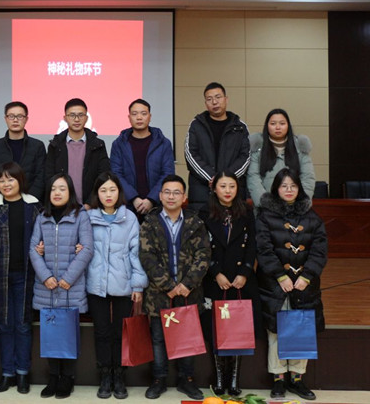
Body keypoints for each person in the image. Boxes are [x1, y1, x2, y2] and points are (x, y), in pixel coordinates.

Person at [256, 168, 327, 401]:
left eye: (293, 186)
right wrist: (280, 276)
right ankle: (278, 379)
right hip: (274, 285)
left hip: (305, 286)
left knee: (301, 329)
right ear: (276, 189)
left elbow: (319, 251)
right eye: (284, 186)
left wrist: (306, 277)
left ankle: (297, 379)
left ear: (299, 189)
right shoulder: (265, 217)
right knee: (276, 331)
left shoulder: (312, 217)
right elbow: (263, 250)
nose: (289, 190)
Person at [139, 174, 210, 401]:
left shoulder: (195, 223)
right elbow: (146, 257)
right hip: (159, 293)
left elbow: (204, 255)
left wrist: (187, 284)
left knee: (188, 337)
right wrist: (168, 285)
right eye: (167, 192)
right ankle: (159, 379)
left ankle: (186, 379)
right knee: (158, 338)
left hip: (189, 292)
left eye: (176, 192)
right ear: (160, 196)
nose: (171, 196)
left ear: (184, 197)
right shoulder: (149, 223)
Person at [29, 173, 94, 399]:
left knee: (67, 334)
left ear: (70, 192)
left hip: (70, 288)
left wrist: (68, 278)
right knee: (50, 334)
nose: (57, 193)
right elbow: (33, 250)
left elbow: (87, 249)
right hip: (46, 287)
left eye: (62, 189)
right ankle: (53, 377)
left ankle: (67, 378)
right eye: (54, 189)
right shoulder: (42, 217)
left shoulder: (80, 216)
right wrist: (46, 276)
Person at [198, 171, 262, 397]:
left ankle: (234, 378)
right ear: (214, 188)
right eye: (223, 186)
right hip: (215, 279)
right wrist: (215, 272)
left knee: (237, 327)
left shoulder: (246, 212)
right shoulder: (204, 213)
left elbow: (252, 244)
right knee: (216, 327)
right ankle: (218, 377)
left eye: (232, 186)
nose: (227, 191)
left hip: (240, 280)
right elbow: (202, 246)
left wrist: (245, 272)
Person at [86, 171, 148, 399]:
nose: (108, 194)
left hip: (123, 283)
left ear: (119, 192)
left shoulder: (129, 217)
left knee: (120, 333)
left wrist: (138, 285)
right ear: (97, 194)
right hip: (96, 284)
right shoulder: (88, 217)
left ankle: (120, 377)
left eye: (112, 189)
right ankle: (105, 376)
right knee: (101, 332)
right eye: (103, 190)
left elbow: (136, 253)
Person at [0, 162, 41, 394]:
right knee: (4, 325)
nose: (6, 184)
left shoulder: (33, 206)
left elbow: (43, 236)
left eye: (11, 179)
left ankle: (23, 373)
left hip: (26, 275)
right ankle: (7, 373)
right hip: (0, 276)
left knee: (23, 325)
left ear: (20, 181)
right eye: (2, 180)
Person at [185, 82, 250, 212]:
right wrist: (212, 178)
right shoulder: (196, 125)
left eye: (218, 97)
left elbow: (245, 157)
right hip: (202, 192)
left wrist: (226, 180)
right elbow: (190, 155)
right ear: (205, 103)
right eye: (209, 99)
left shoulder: (239, 126)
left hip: (232, 192)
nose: (214, 102)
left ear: (226, 99)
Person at [110, 99, 175, 221]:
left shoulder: (163, 143)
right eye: (134, 114)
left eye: (143, 113)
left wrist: (151, 199)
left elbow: (168, 174)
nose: (139, 117)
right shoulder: (119, 144)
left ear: (150, 117)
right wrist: (133, 198)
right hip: (127, 206)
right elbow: (116, 174)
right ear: (129, 117)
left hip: (157, 206)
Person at [45, 98, 110, 208]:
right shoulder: (55, 145)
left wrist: (90, 203)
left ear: (86, 118)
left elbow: (103, 176)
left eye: (81, 115)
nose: (76, 119)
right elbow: (49, 177)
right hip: (62, 207)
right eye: (72, 115)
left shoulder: (98, 145)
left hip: (90, 207)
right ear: (65, 118)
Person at [247, 108, 316, 208]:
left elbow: (308, 178)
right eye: (273, 123)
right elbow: (253, 178)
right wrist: (267, 203)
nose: (278, 127)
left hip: (294, 209)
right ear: (267, 126)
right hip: (265, 210)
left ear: (288, 126)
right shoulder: (257, 149)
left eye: (282, 123)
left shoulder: (300, 148)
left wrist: (300, 203)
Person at [0, 101, 46, 201]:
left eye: (20, 116)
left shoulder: (37, 146)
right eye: (11, 116)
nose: (15, 120)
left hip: (30, 202)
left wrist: (30, 200)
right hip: (1, 202)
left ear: (26, 119)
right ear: (6, 119)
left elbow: (41, 177)